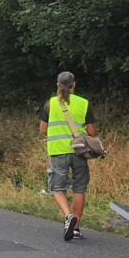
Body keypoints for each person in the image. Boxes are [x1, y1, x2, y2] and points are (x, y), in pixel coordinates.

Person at [38, 71, 98, 241]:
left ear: (57, 85)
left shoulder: (50, 104)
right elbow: (92, 132)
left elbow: (42, 131)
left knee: (57, 188)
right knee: (79, 187)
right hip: (79, 151)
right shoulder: (84, 103)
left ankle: (68, 216)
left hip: (58, 151)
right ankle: (76, 228)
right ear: (74, 85)